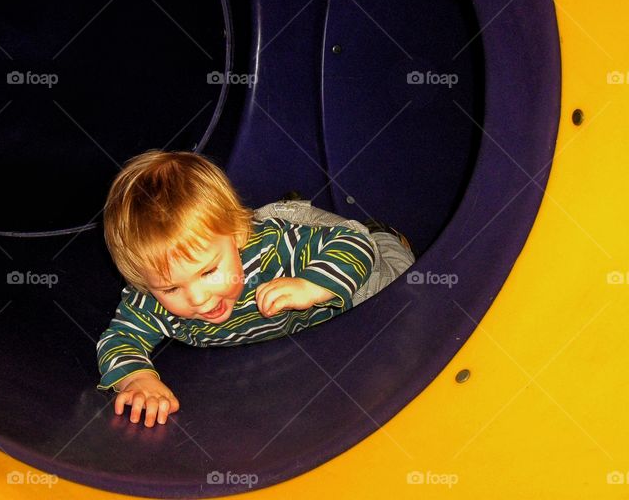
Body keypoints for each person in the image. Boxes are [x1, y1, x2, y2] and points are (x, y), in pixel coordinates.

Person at [96, 149, 415, 427]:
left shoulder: (270, 249)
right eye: (171, 289)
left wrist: (311, 285)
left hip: (307, 248)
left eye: (208, 271)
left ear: (236, 235)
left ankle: (386, 236)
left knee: (389, 282)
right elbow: (120, 338)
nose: (197, 298)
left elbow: (353, 243)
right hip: (275, 283)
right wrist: (138, 379)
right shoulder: (151, 298)